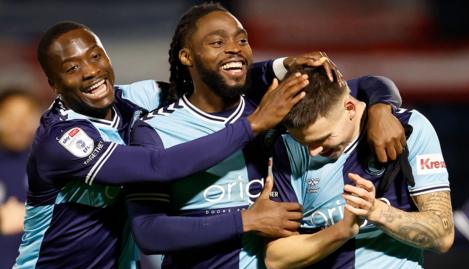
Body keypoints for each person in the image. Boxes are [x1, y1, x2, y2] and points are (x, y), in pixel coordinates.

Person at [14, 21, 318, 269]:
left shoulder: (135, 99)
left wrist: (278, 68)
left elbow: (205, 79)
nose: (91, 71)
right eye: (71, 68)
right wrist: (253, 125)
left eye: (95, 56)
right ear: (53, 85)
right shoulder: (62, 139)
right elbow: (155, 166)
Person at [125, 3, 405, 268]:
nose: (234, 49)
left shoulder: (279, 103)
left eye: (242, 40)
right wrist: (246, 221)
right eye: (217, 43)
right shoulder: (155, 131)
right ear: (186, 56)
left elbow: (364, 86)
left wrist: (382, 109)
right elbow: (149, 233)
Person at [264, 65, 454, 268]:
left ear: (350, 109)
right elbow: (275, 259)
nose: (313, 152)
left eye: (323, 139)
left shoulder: (409, 129)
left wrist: (375, 211)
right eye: (305, 142)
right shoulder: (285, 146)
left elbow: (443, 236)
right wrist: (342, 231)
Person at [0, 88, 41, 269]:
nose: (18, 123)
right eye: (10, 115)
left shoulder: (54, 164)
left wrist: (30, 216)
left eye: (26, 115)